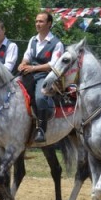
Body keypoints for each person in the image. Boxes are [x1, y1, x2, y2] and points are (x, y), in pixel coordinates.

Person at [18, 12, 64, 143]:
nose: (37, 24)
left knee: (40, 97)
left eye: (41, 21)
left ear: (49, 24)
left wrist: (33, 68)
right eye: (36, 21)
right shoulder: (33, 40)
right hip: (28, 74)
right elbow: (27, 56)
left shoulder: (57, 43)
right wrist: (22, 64)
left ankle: (41, 129)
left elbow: (53, 65)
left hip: (45, 76)